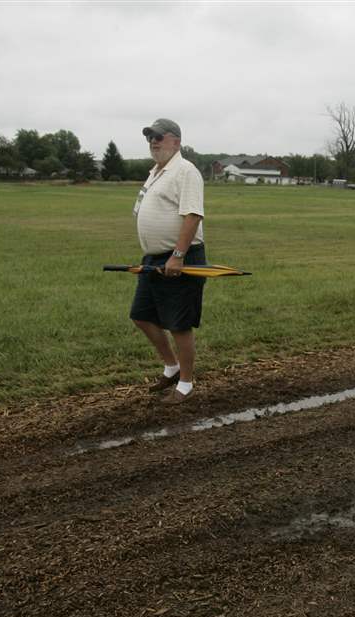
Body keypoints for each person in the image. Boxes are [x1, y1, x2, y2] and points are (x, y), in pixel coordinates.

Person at [130, 118, 207, 405]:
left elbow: (192, 215)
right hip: (153, 259)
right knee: (141, 314)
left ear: (176, 141)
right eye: (150, 137)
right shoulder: (156, 172)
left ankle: (186, 383)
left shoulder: (185, 171)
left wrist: (177, 255)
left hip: (181, 257)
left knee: (179, 322)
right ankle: (171, 367)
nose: (153, 142)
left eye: (159, 137)